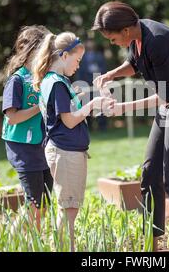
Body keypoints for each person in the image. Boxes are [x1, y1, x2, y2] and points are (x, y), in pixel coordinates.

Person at [92, 1, 169, 252]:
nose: (112, 44)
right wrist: (110, 75)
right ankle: (153, 245)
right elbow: (135, 64)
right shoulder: (138, 35)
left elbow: (167, 95)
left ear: (125, 31)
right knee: (150, 172)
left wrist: (123, 108)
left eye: (112, 40)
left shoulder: (156, 40)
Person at [32, 31, 114, 251]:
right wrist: (93, 104)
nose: (79, 66)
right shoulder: (57, 83)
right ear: (63, 55)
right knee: (69, 209)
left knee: (68, 207)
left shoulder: (55, 81)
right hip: (65, 152)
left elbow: (62, 112)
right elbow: (68, 121)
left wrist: (78, 98)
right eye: (77, 60)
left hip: (65, 151)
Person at [1, 25, 53, 231]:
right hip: (23, 148)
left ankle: (30, 239)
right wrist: (38, 107)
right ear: (32, 49)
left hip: (42, 146)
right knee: (34, 203)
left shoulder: (44, 76)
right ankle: (18, 241)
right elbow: (12, 118)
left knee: (45, 202)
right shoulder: (17, 79)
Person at [76, 39, 108, 131]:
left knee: (100, 105)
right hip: (85, 85)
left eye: (91, 42)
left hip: (97, 84)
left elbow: (104, 69)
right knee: (86, 105)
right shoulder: (82, 57)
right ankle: (88, 126)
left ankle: (102, 127)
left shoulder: (99, 56)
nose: (90, 44)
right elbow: (79, 71)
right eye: (88, 42)